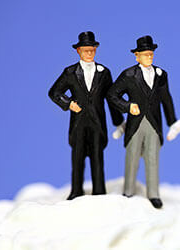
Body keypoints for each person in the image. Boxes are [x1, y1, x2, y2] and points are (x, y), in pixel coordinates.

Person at [108, 35, 180, 209]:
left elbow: (166, 99)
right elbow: (112, 95)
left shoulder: (161, 75)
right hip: (135, 123)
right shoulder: (129, 74)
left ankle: (154, 194)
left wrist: (172, 121)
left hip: (154, 123)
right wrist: (127, 107)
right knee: (132, 157)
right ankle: (128, 191)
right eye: (145, 54)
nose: (149, 57)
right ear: (137, 56)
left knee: (153, 159)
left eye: (151, 54)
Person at [48, 31, 124, 200]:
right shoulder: (70, 72)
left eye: (92, 50)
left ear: (95, 50)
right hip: (78, 123)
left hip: (97, 122)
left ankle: (99, 190)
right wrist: (68, 104)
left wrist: (118, 121)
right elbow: (54, 92)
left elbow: (110, 98)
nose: (89, 53)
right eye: (85, 50)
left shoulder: (104, 73)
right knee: (78, 157)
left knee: (97, 158)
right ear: (78, 51)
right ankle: (76, 190)